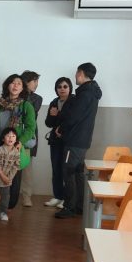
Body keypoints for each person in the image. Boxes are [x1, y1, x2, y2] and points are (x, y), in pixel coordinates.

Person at [55, 63, 102, 219]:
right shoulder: (92, 91)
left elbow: (74, 117)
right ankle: (79, 206)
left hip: (74, 140)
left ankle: (69, 207)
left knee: (68, 172)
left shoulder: (84, 93)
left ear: (81, 73)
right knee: (77, 173)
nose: (75, 76)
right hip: (82, 140)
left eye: (76, 73)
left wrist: (61, 128)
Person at [0, 74, 37, 212]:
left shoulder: (26, 106)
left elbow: (30, 128)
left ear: (23, 88)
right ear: (7, 85)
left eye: (19, 83)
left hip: (15, 145)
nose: (15, 85)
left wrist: (20, 142)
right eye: (12, 82)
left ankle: (9, 205)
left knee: (14, 175)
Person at [43, 77, 72, 208]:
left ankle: (67, 199)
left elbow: (71, 120)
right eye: (59, 87)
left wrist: (58, 114)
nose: (62, 89)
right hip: (55, 141)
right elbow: (48, 123)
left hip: (69, 141)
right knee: (56, 169)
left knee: (67, 170)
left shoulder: (74, 101)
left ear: (70, 88)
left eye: (65, 86)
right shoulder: (54, 102)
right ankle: (57, 196)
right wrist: (52, 115)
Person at [19, 71, 43, 207]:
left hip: (28, 136)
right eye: (34, 81)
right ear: (26, 81)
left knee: (27, 167)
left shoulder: (37, 98)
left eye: (37, 81)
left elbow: (29, 114)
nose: (37, 84)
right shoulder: (14, 94)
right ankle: (7, 197)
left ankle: (26, 197)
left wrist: (23, 95)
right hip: (12, 134)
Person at [0, 127, 21, 221]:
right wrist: (3, 177)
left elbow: (15, 167)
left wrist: (9, 178)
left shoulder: (16, 152)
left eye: (13, 136)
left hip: (6, 181)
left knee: (5, 198)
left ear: (16, 139)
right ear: (3, 138)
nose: (11, 138)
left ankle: (3, 212)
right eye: (8, 136)